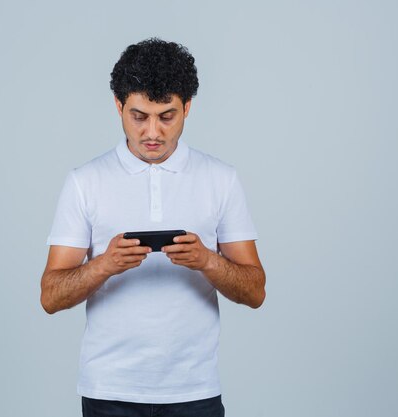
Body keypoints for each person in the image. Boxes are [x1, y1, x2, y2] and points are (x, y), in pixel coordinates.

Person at [40, 38, 266, 417]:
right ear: (118, 106)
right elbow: (50, 296)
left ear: (187, 108)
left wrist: (206, 261)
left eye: (167, 116)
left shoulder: (220, 179)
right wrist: (105, 264)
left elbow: (255, 291)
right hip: (108, 390)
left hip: (194, 390)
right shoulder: (85, 181)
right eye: (139, 116)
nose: (152, 133)